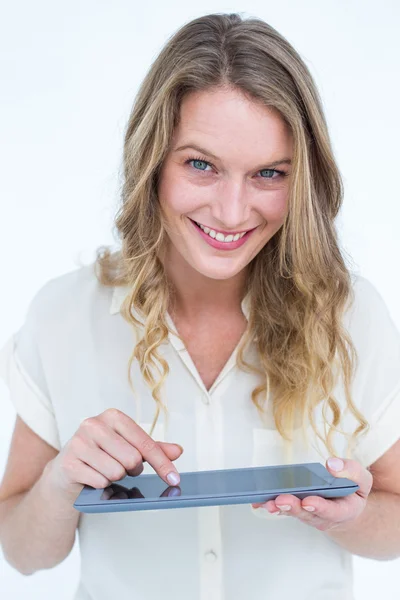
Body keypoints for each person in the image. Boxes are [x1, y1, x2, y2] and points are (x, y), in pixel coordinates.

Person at [1, 11, 400, 600]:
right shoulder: (64, 315)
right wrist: (62, 483)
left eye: (268, 173)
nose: (233, 212)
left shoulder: (349, 317)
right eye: (201, 165)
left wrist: (350, 517)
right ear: (152, 163)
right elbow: (20, 550)